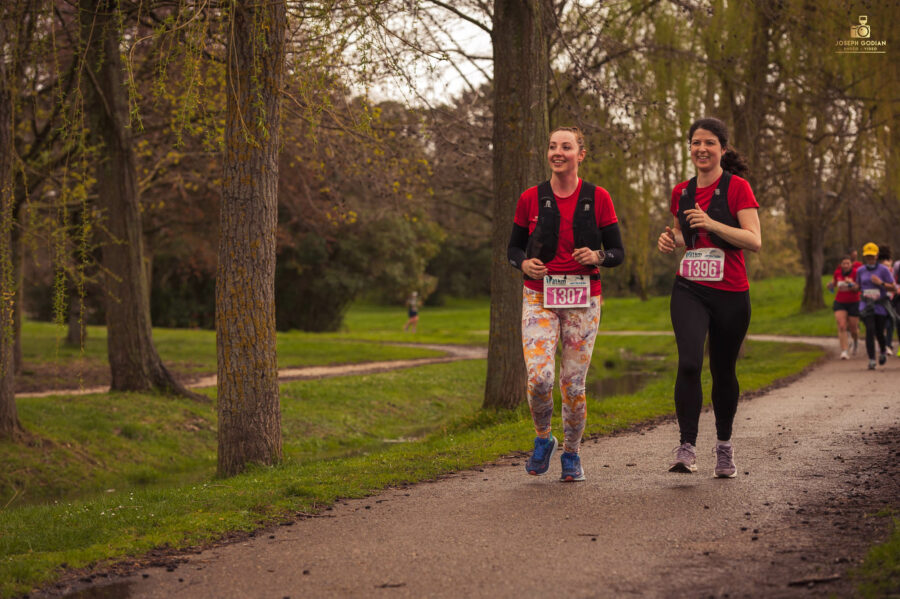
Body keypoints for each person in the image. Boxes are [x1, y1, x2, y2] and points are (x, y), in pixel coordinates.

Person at [507, 126, 624, 482]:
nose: (558, 152)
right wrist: (523, 263)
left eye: (566, 147)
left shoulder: (598, 197)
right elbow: (513, 248)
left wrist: (597, 255)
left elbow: (618, 253)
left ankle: (571, 454)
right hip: (539, 295)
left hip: (583, 298)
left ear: (580, 154)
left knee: (573, 384)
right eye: (553, 146)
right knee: (539, 377)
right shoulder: (531, 197)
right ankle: (544, 438)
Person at [656, 117, 761, 478]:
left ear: (722, 149)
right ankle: (686, 447)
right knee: (688, 363)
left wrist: (712, 223)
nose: (702, 149)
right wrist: (670, 241)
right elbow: (688, 237)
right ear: (690, 149)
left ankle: (724, 448)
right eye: (696, 143)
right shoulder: (681, 192)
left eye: (710, 143)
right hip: (690, 287)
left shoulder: (737, 188)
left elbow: (754, 240)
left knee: (722, 370)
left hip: (731, 292)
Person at [856, 243, 896, 370]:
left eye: (872, 256)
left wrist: (881, 283)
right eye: (867, 256)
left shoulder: (883, 270)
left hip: (880, 305)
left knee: (879, 331)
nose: (870, 259)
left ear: (877, 256)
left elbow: (893, 287)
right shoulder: (860, 270)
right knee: (870, 330)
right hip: (866, 305)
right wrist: (851, 287)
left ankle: (883, 351)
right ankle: (872, 359)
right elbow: (858, 286)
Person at [826, 255, 861, 360]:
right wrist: (830, 285)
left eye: (848, 263)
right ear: (840, 265)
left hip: (854, 302)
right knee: (841, 326)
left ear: (851, 264)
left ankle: (855, 341)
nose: (845, 265)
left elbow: (858, 288)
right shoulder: (837, 273)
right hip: (840, 302)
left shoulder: (856, 272)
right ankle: (844, 351)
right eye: (843, 263)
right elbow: (834, 284)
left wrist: (851, 284)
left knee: (853, 328)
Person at [878, 247, 895, 355]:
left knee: (891, 321)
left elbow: (894, 285)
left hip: (892, 300)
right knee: (883, 324)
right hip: (881, 300)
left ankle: (888, 345)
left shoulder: (893, 271)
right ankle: (884, 345)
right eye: (884, 266)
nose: (886, 268)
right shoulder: (878, 273)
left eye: (888, 266)